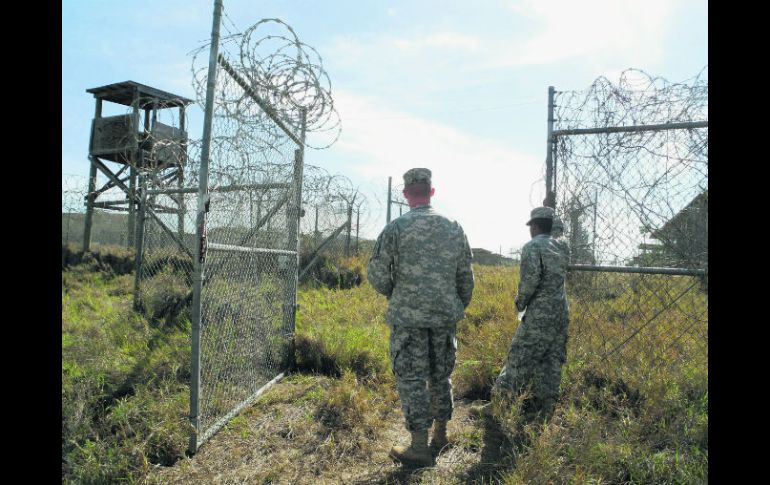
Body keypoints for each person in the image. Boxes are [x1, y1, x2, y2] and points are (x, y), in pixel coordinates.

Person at [368, 168, 475, 468]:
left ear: (406, 194)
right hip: (444, 317)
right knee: (441, 374)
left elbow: (376, 273)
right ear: (431, 192)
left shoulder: (396, 228)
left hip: (409, 317)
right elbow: (466, 277)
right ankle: (441, 435)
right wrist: (453, 304)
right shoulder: (453, 227)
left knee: (412, 377)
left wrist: (397, 293)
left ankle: (418, 447)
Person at [473, 206, 570, 423]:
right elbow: (561, 232)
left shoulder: (532, 246)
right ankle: (546, 409)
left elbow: (530, 281)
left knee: (518, 357)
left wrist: (520, 303)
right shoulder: (562, 247)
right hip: (561, 313)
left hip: (539, 314)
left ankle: (498, 405)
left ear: (534, 226)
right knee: (552, 360)